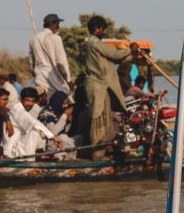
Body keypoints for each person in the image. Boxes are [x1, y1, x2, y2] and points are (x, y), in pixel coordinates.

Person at [83, 15, 138, 159]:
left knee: (105, 118)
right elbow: (113, 54)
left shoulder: (95, 44)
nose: (104, 32)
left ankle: (102, 150)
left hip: (103, 86)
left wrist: (131, 54)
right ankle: (97, 153)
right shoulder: (93, 42)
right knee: (98, 119)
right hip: (97, 86)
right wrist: (129, 50)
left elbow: (113, 59)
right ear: (96, 29)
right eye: (102, 29)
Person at [3, 87, 68, 158]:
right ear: (21, 99)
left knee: (38, 133)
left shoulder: (23, 110)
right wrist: (52, 137)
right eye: (27, 100)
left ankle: (39, 155)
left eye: (32, 101)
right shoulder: (17, 110)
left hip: (18, 146)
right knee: (34, 133)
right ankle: (29, 161)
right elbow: (33, 122)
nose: (30, 104)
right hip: (11, 150)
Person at [29, 13, 72, 96]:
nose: (58, 26)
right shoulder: (56, 38)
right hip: (54, 79)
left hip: (40, 79)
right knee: (61, 103)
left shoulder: (33, 39)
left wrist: (34, 74)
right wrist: (68, 80)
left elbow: (31, 61)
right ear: (52, 24)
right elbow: (61, 61)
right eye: (57, 24)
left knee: (43, 105)